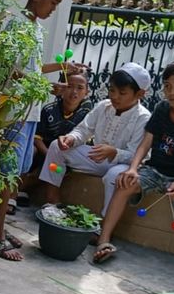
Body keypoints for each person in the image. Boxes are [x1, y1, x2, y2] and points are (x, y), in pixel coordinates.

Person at [91, 59, 174, 290]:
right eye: (168, 86)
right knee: (124, 182)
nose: (172, 92)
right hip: (154, 171)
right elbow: (145, 142)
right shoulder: (162, 109)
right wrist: (132, 168)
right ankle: (104, 240)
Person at [0, 0, 83, 262]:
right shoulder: (15, 24)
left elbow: (30, 69)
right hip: (12, 110)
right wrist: (47, 86)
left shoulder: (33, 28)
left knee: (14, 172)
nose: (53, 9)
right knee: (6, 176)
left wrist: (62, 70)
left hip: (27, 112)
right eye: (53, 2)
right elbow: (7, 69)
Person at [38, 62, 151, 213]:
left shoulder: (143, 117)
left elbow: (139, 157)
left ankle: (104, 223)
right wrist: (71, 138)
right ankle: (52, 202)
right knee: (56, 146)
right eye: (112, 90)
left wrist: (114, 152)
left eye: (122, 93)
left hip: (122, 166)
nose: (114, 96)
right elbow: (84, 130)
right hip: (95, 158)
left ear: (139, 94)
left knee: (113, 175)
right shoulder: (104, 106)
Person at [33, 71, 92, 161]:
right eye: (69, 86)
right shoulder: (48, 110)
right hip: (45, 152)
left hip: (69, 154)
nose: (74, 91)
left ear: (86, 92)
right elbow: (37, 137)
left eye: (80, 88)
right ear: (61, 88)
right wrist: (50, 155)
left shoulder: (86, 112)